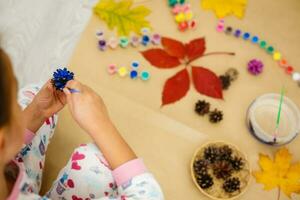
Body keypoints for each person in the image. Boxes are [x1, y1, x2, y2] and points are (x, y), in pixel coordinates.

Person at [0, 48, 164, 200]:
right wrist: (101, 124)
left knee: (32, 94)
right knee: (99, 161)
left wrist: (37, 112)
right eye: (13, 105)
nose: (17, 108)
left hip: (12, 173)